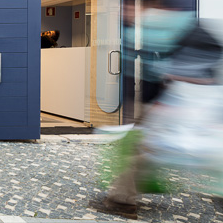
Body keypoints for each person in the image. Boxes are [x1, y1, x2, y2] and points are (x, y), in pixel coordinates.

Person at [90, 16, 223, 220]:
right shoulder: (209, 77)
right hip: (196, 128)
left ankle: (121, 201)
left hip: (178, 126)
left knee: (141, 152)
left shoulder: (180, 66)